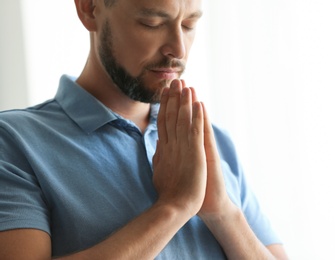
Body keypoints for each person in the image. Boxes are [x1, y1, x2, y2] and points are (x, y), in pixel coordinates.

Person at [0, 0, 288, 259]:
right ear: (89, 9)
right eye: (153, 23)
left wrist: (223, 213)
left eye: (189, 25)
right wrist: (174, 207)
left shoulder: (213, 141)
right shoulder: (14, 142)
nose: (179, 49)